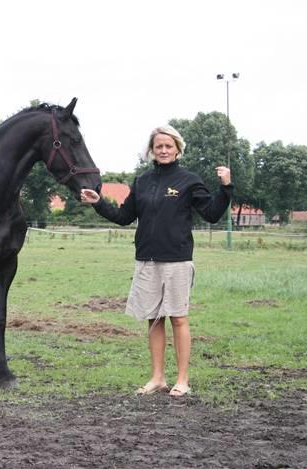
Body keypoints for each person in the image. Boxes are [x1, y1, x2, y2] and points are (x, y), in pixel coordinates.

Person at [80, 125, 232, 397]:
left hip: (176, 260)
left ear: (177, 149)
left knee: (178, 319)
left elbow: (211, 214)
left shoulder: (189, 181)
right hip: (147, 260)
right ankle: (157, 378)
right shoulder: (142, 181)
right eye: (158, 146)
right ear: (152, 149)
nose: (163, 150)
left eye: (168, 146)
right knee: (153, 320)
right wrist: (99, 202)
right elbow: (124, 216)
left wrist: (225, 188)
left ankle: (182, 380)